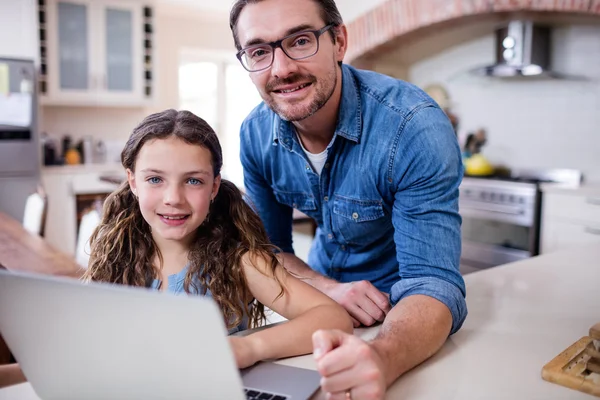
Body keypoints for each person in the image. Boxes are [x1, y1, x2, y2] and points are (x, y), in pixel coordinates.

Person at [0, 110, 352, 388]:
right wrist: (13, 374)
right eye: (155, 179)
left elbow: (332, 318)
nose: (173, 198)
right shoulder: (116, 260)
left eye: (193, 180)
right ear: (132, 181)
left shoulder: (240, 260)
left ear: (214, 187)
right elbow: (83, 353)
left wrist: (247, 348)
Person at [229, 0, 467, 398]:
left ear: (339, 41)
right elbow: (267, 250)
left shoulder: (412, 127)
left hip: (401, 316)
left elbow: (431, 283)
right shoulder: (255, 134)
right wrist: (329, 289)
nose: (281, 68)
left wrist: (382, 357)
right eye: (259, 51)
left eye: (300, 40)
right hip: (318, 306)